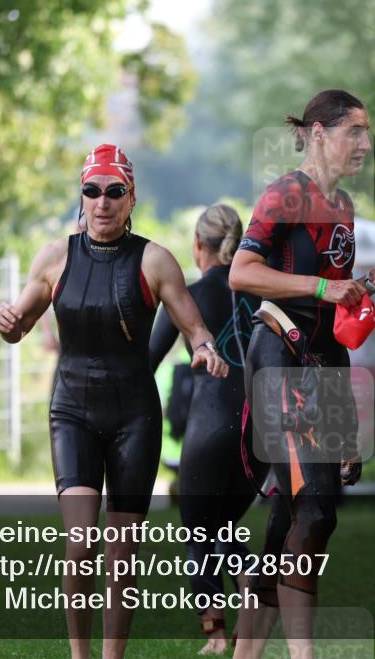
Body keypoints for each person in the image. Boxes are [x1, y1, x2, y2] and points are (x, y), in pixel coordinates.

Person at [0, 143, 228, 659]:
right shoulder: (55, 257)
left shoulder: (155, 259)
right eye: (93, 191)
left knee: (122, 558)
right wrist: (8, 323)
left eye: (114, 192)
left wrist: (207, 351)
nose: (102, 202)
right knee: (80, 548)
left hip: (133, 417)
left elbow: (195, 327)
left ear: (131, 197)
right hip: (72, 410)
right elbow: (20, 323)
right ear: (82, 195)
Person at [228, 90, 375, 659]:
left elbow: (330, 287)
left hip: (322, 364)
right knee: (317, 508)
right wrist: (324, 287)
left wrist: (371, 278)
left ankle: (246, 653)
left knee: (291, 515)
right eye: (353, 131)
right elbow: (242, 272)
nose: (364, 143)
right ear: (316, 133)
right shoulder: (286, 192)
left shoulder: (345, 207)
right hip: (278, 357)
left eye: (366, 132)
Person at [149, 203, 265, 655]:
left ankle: (215, 636)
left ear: (198, 246)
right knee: (228, 526)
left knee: (199, 529)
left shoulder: (186, 296)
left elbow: (147, 362)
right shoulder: (261, 296)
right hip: (258, 432)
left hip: (209, 423)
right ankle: (252, 610)